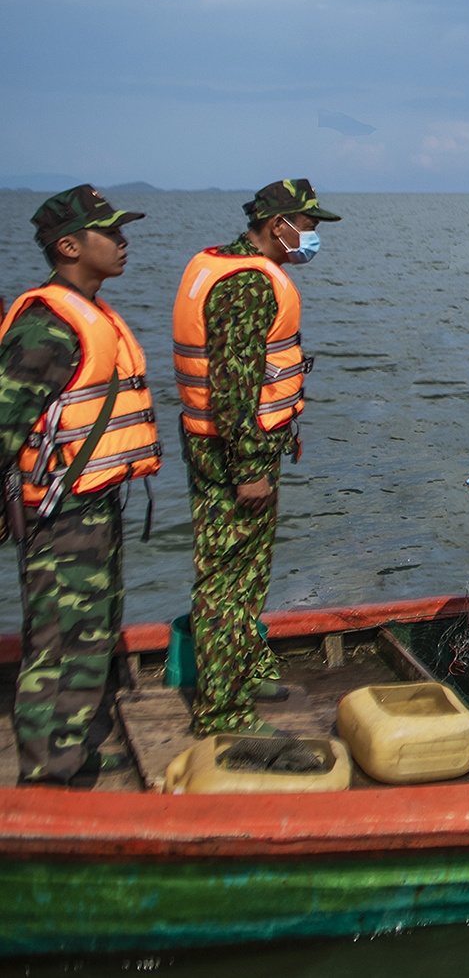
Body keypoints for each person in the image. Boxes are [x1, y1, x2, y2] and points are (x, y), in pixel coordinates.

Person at [0, 186, 161, 786]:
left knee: (91, 637)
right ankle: (47, 776)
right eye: (109, 233)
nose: (123, 242)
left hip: (95, 510)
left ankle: (79, 748)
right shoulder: (46, 328)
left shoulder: (91, 315)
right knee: (59, 646)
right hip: (60, 519)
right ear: (68, 246)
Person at [172, 179, 340, 736]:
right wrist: (248, 470)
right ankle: (222, 711)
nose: (312, 239)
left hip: (229, 445)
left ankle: (240, 671)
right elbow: (233, 387)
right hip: (232, 454)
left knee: (248, 572)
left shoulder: (219, 264)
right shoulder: (247, 283)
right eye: (308, 228)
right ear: (278, 226)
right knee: (225, 578)